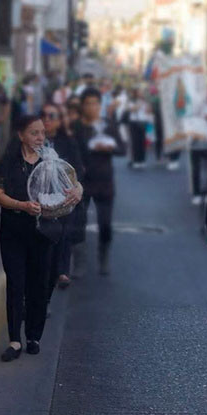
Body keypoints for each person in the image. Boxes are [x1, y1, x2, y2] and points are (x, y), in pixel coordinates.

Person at [0, 115, 80, 362]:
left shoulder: (51, 161)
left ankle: (33, 336)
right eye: (34, 133)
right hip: (13, 230)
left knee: (39, 284)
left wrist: (78, 192)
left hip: (43, 232)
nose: (40, 137)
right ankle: (14, 340)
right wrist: (21, 205)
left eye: (42, 133)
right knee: (16, 283)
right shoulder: (8, 162)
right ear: (21, 135)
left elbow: (74, 182)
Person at [73, 88, 125, 276]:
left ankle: (103, 258)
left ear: (100, 105)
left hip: (104, 181)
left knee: (105, 224)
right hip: (82, 182)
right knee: (79, 223)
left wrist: (108, 148)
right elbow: (70, 151)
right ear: (82, 106)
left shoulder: (108, 125)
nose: (92, 107)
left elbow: (122, 149)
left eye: (95, 103)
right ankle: (79, 262)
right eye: (88, 103)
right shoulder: (77, 127)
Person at [41, 103, 85, 294]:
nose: (47, 120)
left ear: (59, 121)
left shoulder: (68, 142)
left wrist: (76, 189)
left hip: (63, 195)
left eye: (51, 116)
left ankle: (63, 271)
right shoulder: (31, 142)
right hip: (38, 196)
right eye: (43, 115)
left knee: (66, 225)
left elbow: (78, 171)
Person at [122, 86, 153, 169]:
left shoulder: (144, 101)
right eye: (139, 92)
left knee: (142, 142)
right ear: (135, 93)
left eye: (141, 92)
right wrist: (138, 105)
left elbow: (148, 111)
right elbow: (131, 109)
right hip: (134, 123)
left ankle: (142, 160)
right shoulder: (131, 100)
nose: (141, 93)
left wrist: (148, 107)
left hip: (143, 122)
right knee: (135, 143)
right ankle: (136, 161)